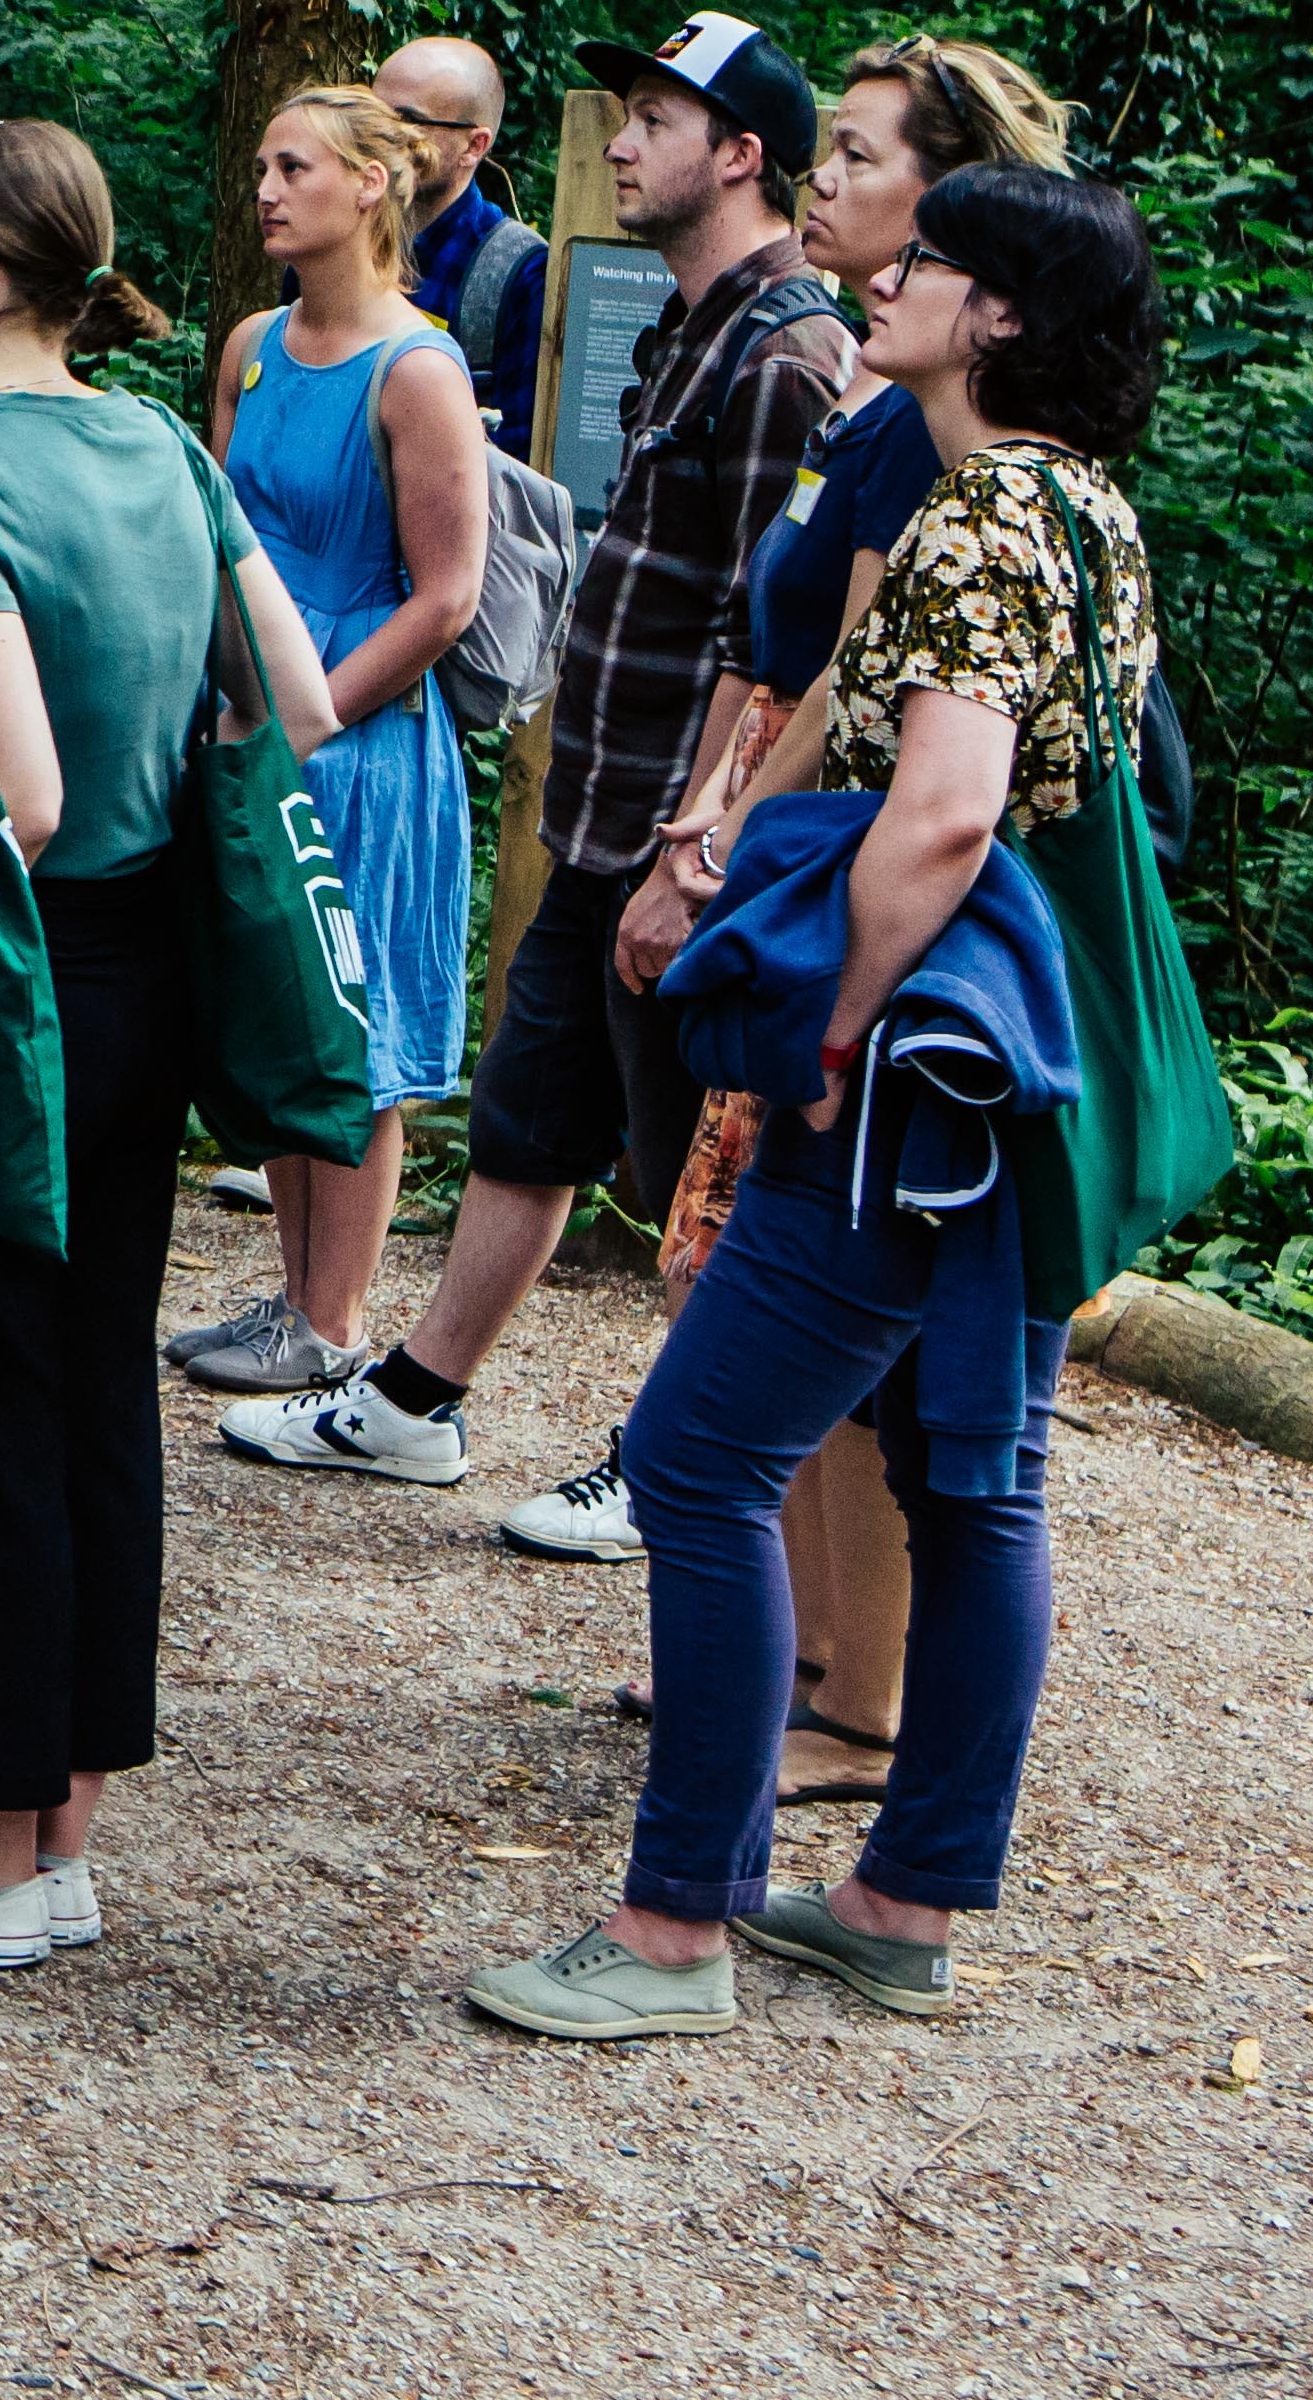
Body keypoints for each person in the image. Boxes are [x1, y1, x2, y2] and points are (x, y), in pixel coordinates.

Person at [459, 164, 1161, 2044]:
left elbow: (941, 807)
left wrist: (838, 1027)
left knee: (695, 1464)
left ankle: (673, 1925)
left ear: (997, 315)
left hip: (914, 1067)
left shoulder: (978, 515)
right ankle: (905, 1897)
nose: (893, 273)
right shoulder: (1085, 505)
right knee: (976, 1481)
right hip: (1015, 1071)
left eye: (930, 259)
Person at [0, 118, 340, 1969]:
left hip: (4, 974)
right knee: (94, 1383)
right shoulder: (160, 441)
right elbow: (298, 694)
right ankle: (59, 1829)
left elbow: (7, 798)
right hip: (152, 974)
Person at [495, 44, 1069, 1702]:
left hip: (859, 917)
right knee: (750, 1283)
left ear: (947, 214)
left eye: (860, 160)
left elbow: (885, 729)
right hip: (788, 875)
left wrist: (784, 927)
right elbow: (788, 652)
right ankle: (810, 1659)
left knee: (840, 1341)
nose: (823, 181)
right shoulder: (881, 404)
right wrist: (709, 831)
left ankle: (847, 1693)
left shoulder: (925, 440)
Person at [229, 9, 847, 1491]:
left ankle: (677, 1464)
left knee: (706, 1164)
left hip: (679, 838)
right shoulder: (686, 330)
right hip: (600, 809)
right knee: (529, 1115)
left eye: (650, 119)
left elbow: (774, 636)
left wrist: (699, 842)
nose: (618, 143)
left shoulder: (791, 353)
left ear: (740, 155)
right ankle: (413, 1397)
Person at [179, 88, 490, 1394]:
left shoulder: (415, 369)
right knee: (285, 1014)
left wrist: (311, 716)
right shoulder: (251, 342)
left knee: (351, 1031)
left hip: (354, 734)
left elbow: (446, 593)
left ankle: (335, 1319)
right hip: (245, 714)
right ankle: (291, 1303)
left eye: (292, 164)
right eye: (258, 163)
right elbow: (212, 525)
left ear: (370, 186)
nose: (263, 186)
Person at [387, 33, 550, 446]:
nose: (379, 135)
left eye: (406, 121)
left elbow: (521, 457)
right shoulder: (334, 242)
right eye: (371, 114)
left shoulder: (518, 271)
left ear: (474, 145)